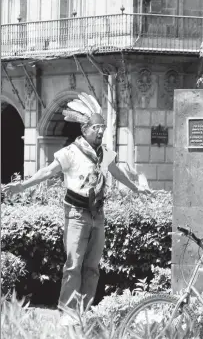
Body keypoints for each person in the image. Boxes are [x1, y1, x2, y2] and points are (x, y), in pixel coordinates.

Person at [2, 92, 151, 325]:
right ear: (85, 130)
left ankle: (84, 312)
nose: (100, 131)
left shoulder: (104, 154)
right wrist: (22, 186)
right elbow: (47, 171)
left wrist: (135, 189)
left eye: (102, 127)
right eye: (96, 127)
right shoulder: (71, 152)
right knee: (73, 266)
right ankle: (67, 313)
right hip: (76, 214)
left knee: (92, 268)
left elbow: (116, 172)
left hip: (98, 215)